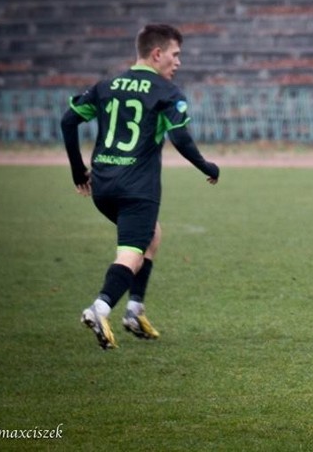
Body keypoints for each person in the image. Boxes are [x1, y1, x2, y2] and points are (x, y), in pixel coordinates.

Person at [61, 23, 219, 350]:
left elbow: (68, 121)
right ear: (157, 53)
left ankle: (134, 309)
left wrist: (79, 171)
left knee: (153, 234)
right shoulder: (166, 92)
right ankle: (100, 307)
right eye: (175, 55)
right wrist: (207, 166)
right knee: (131, 254)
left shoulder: (107, 86)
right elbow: (180, 137)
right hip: (137, 190)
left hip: (103, 187)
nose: (178, 62)